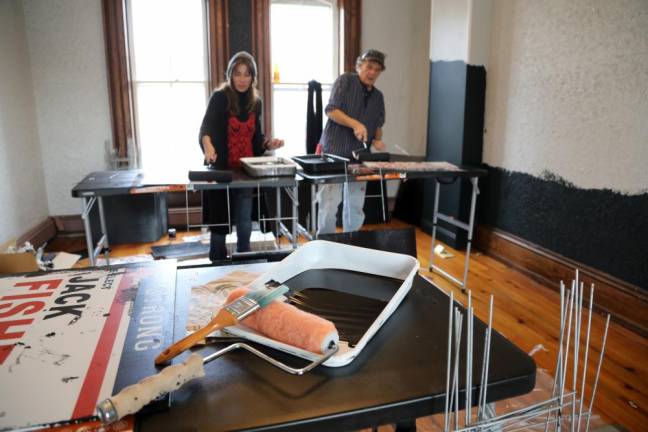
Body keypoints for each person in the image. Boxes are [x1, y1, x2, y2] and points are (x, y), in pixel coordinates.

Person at [199, 51, 284, 261]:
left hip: (245, 172)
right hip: (221, 170)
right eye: (238, 74)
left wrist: (268, 143)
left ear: (253, 77)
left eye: (247, 74)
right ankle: (217, 262)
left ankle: (244, 260)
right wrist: (208, 146)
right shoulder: (219, 97)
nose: (242, 79)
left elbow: (257, 139)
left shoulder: (256, 102)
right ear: (230, 75)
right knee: (220, 223)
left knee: (245, 220)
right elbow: (205, 128)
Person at [316, 49, 386, 235]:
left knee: (355, 204)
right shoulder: (345, 81)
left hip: (360, 157)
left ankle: (352, 243)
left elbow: (378, 124)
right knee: (330, 203)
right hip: (333, 151)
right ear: (359, 66)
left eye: (377, 69)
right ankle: (325, 244)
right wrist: (355, 124)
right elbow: (331, 110)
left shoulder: (378, 97)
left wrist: (378, 140)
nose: (372, 72)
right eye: (369, 67)